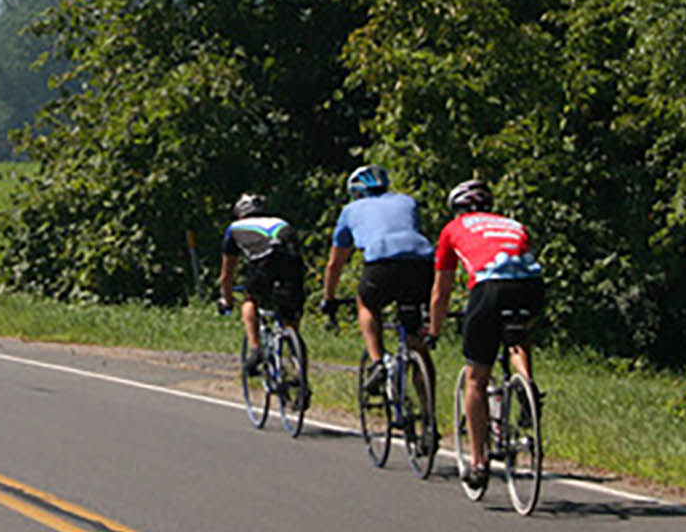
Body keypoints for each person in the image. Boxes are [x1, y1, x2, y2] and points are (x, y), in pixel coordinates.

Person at [428, 178, 546, 489]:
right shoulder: (513, 224)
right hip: (533, 288)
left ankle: (479, 462)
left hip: (489, 288)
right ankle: (526, 382)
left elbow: (442, 290)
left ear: (457, 209)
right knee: (518, 334)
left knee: (476, 378)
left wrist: (435, 330)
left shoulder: (453, 229)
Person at [319, 164, 436, 402]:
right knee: (416, 341)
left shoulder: (350, 210)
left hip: (380, 263)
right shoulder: (407, 201)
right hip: (421, 264)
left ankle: (377, 362)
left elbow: (335, 263)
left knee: (367, 304)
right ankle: (429, 414)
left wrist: (329, 297)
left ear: (357, 192)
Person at [217, 192, 306, 377]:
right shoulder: (282, 222)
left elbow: (227, 273)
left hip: (263, 263)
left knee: (250, 300)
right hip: (293, 264)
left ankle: (255, 348)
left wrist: (227, 299)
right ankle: (298, 368)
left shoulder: (235, 228)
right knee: (290, 318)